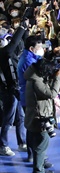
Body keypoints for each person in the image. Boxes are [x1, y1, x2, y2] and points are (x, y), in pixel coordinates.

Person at [24, 59, 60, 173]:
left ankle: (40, 163)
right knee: (41, 144)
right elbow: (51, 93)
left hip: (35, 115)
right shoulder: (36, 81)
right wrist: (57, 78)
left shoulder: (34, 76)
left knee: (36, 142)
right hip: (40, 117)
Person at [0, 23, 27, 156]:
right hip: (8, 90)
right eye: (5, 38)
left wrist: (25, 28)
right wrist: (22, 27)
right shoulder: (3, 53)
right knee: (9, 118)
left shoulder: (8, 54)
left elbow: (19, 43)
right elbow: (15, 42)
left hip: (15, 88)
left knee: (20, 116)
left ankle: (22, 142)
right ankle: (3, 145)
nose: (8, 41)